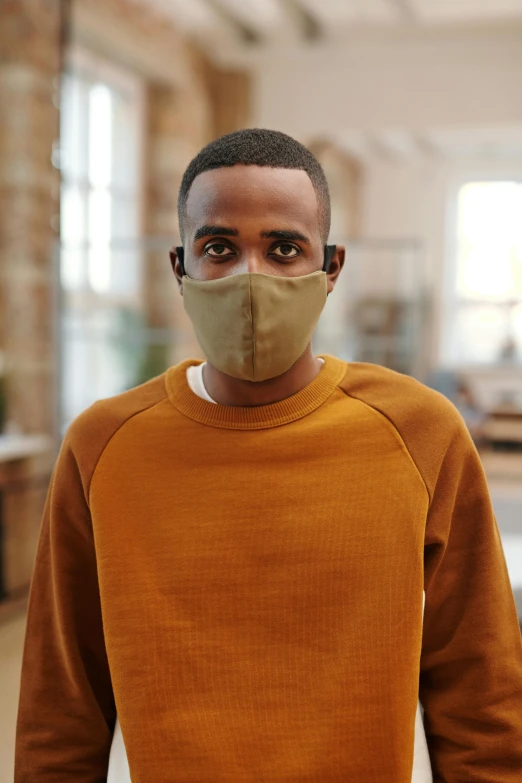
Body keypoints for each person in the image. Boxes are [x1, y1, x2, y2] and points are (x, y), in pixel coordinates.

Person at [15, 129, 522, 782]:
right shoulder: (104, 446)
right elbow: (60, 708)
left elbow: (481, 693)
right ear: (180, 267)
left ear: (330, 266)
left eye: (284, 248)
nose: (249, 278)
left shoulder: (420, 433)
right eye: (219, 247)